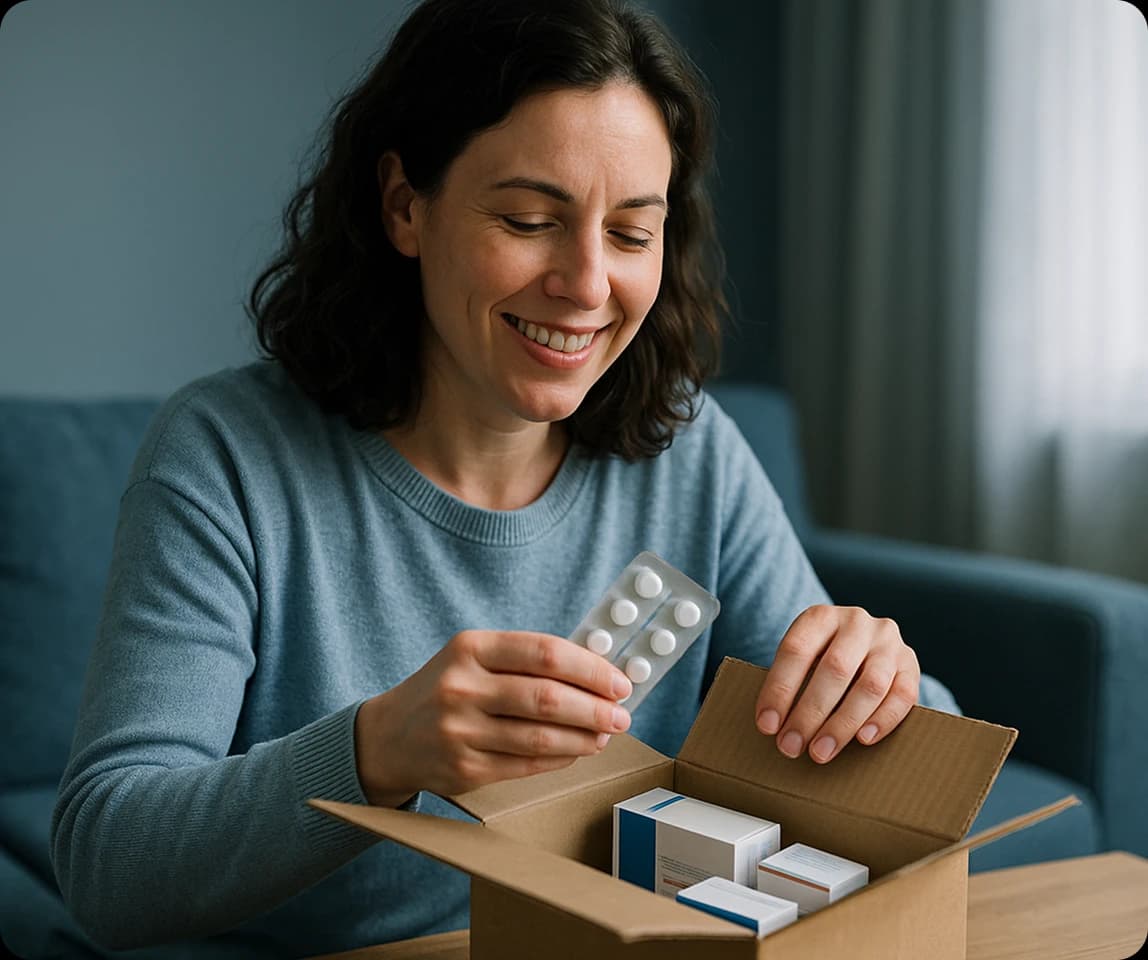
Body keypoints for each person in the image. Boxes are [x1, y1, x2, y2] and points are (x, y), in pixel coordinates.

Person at [50, 0, 958, 956]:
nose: (587, 284)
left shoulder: (687, 451)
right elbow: (109, 863)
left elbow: (879, 766)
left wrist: (884, 685)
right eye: (530, 219)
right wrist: (376, 751)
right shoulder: (226, 456)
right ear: (405, 205)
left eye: (632, 234)